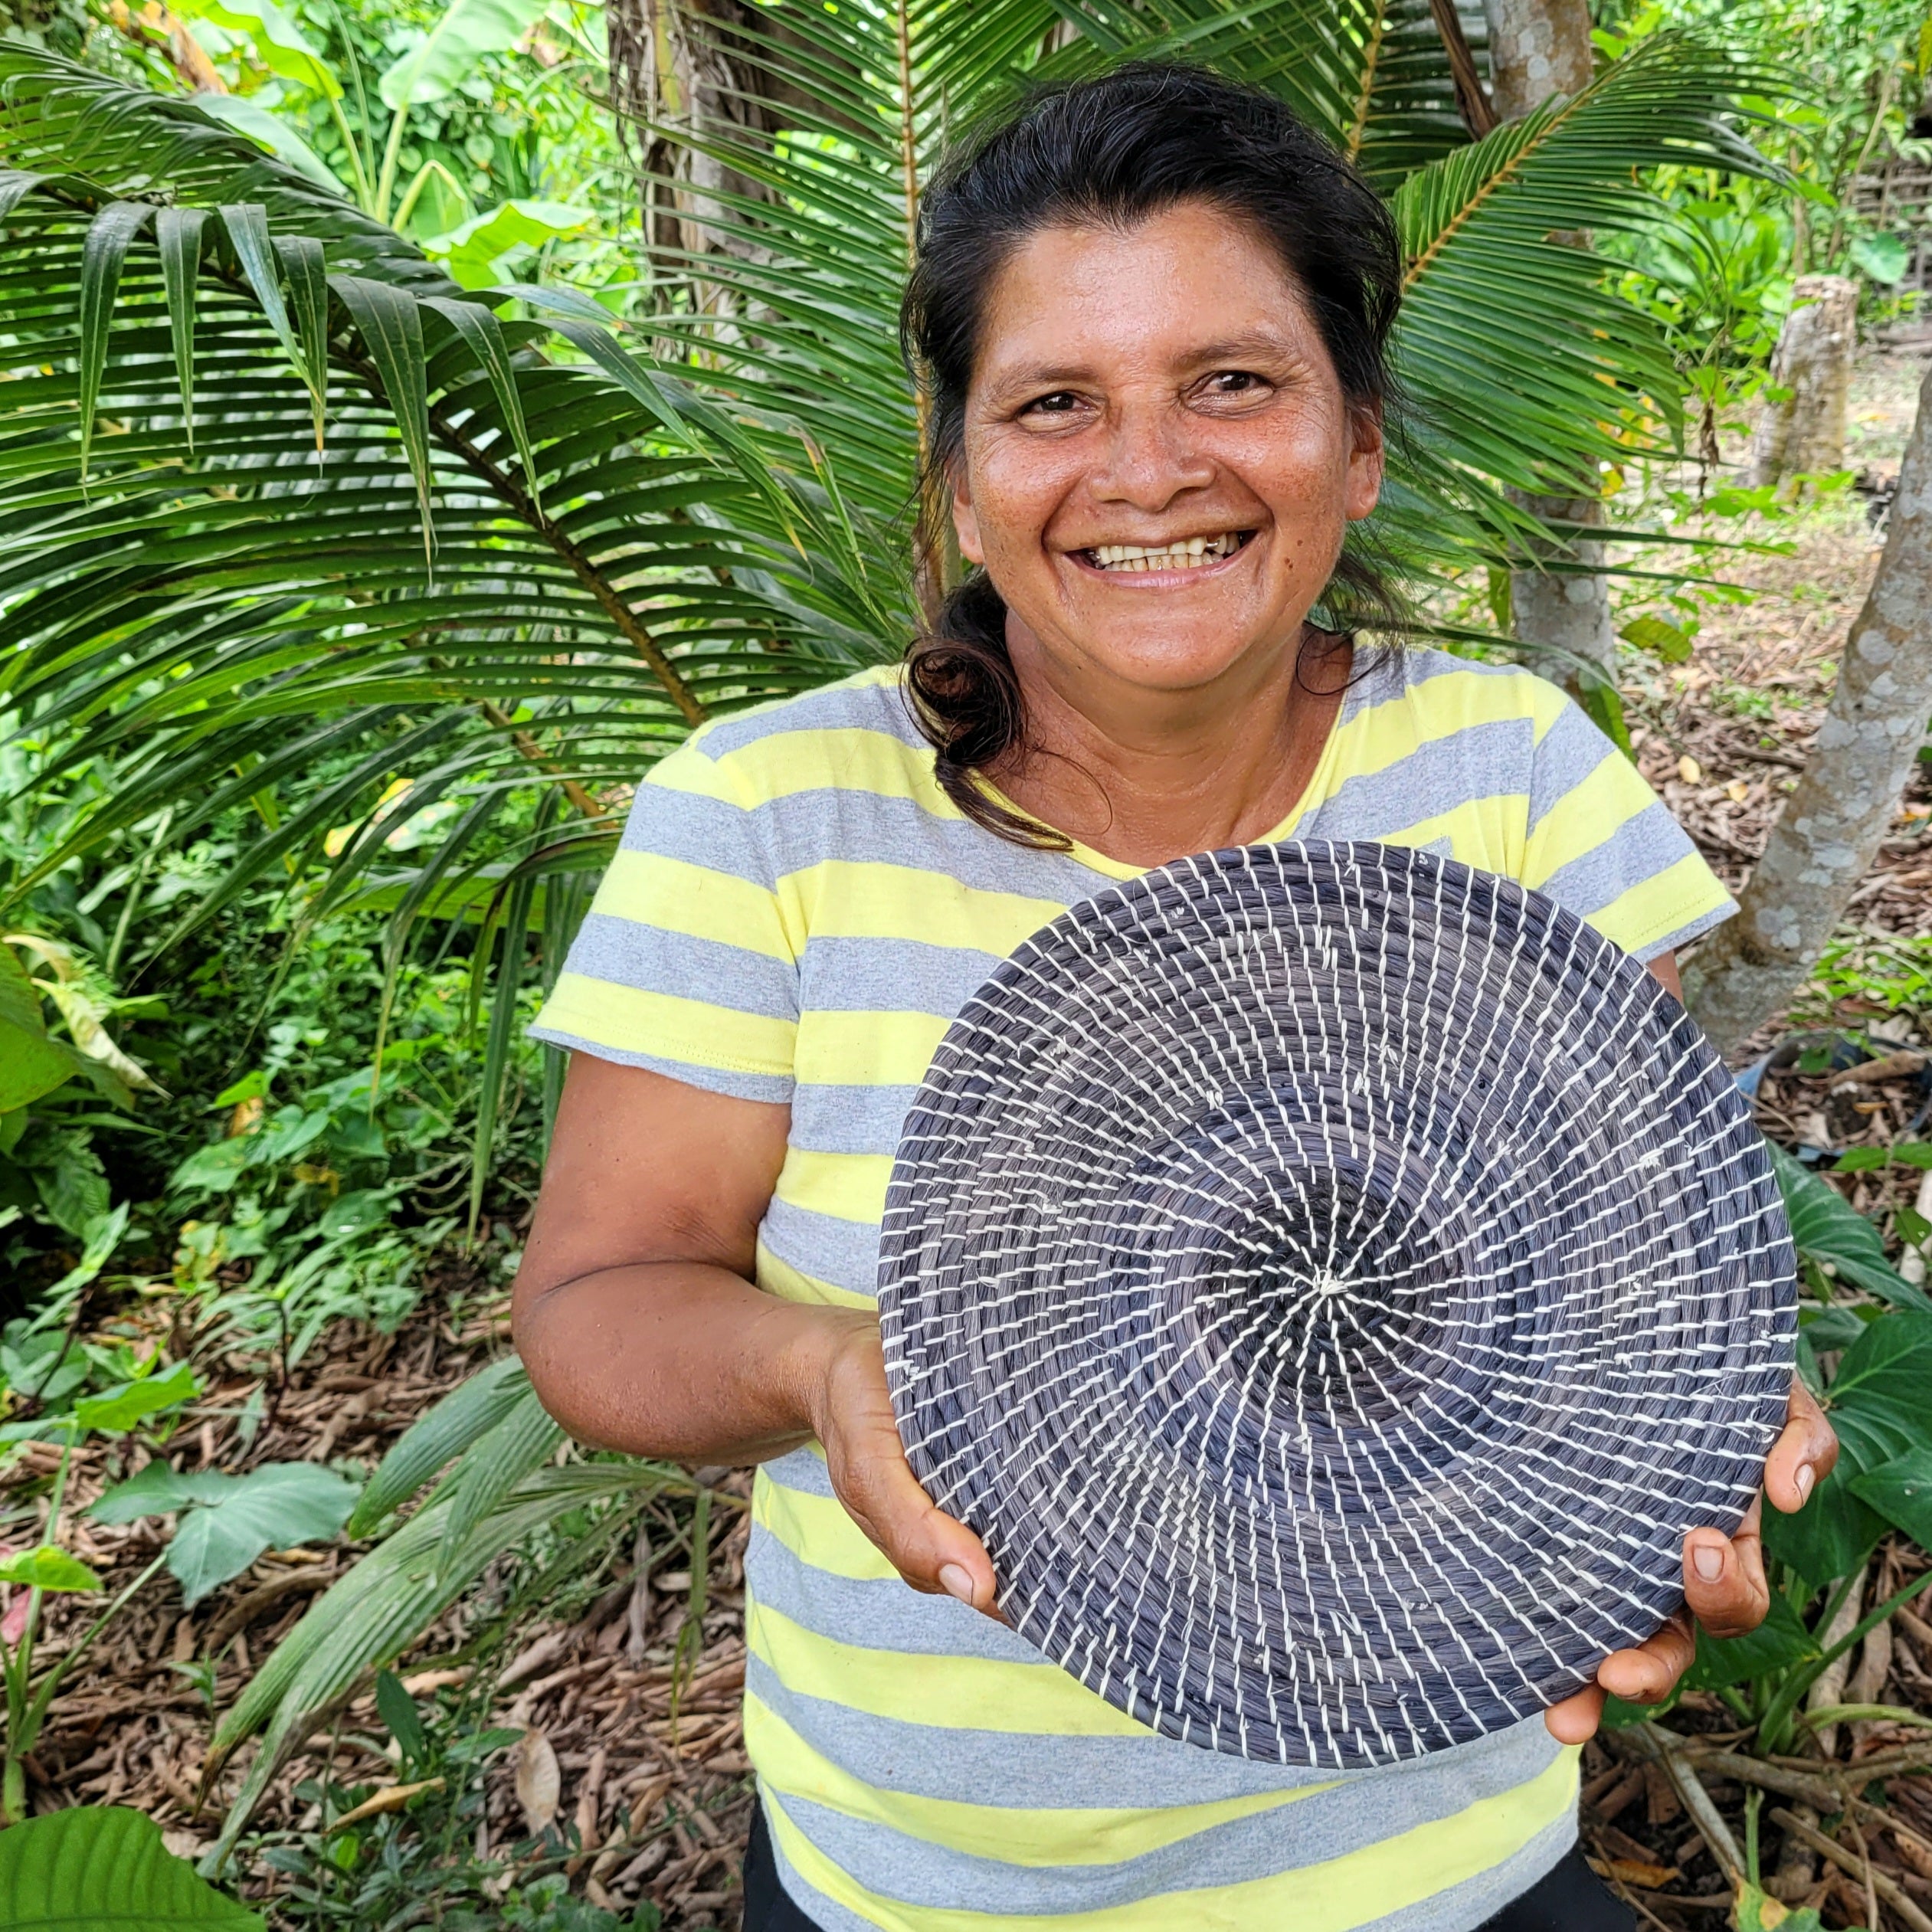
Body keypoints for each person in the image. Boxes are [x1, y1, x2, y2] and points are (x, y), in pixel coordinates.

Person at [514, 63, 1837, 1932]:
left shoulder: (1515, 776)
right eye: (1055, 403)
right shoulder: (766, 816)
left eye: (1233, 381)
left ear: (1356, 444)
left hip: (1445, 1853)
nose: (1148, 469)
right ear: (965, 484)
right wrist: (821, 1362)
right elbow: (594, 1304)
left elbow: (1635, 1249)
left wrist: (1697, 1406)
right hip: (946, 1884)